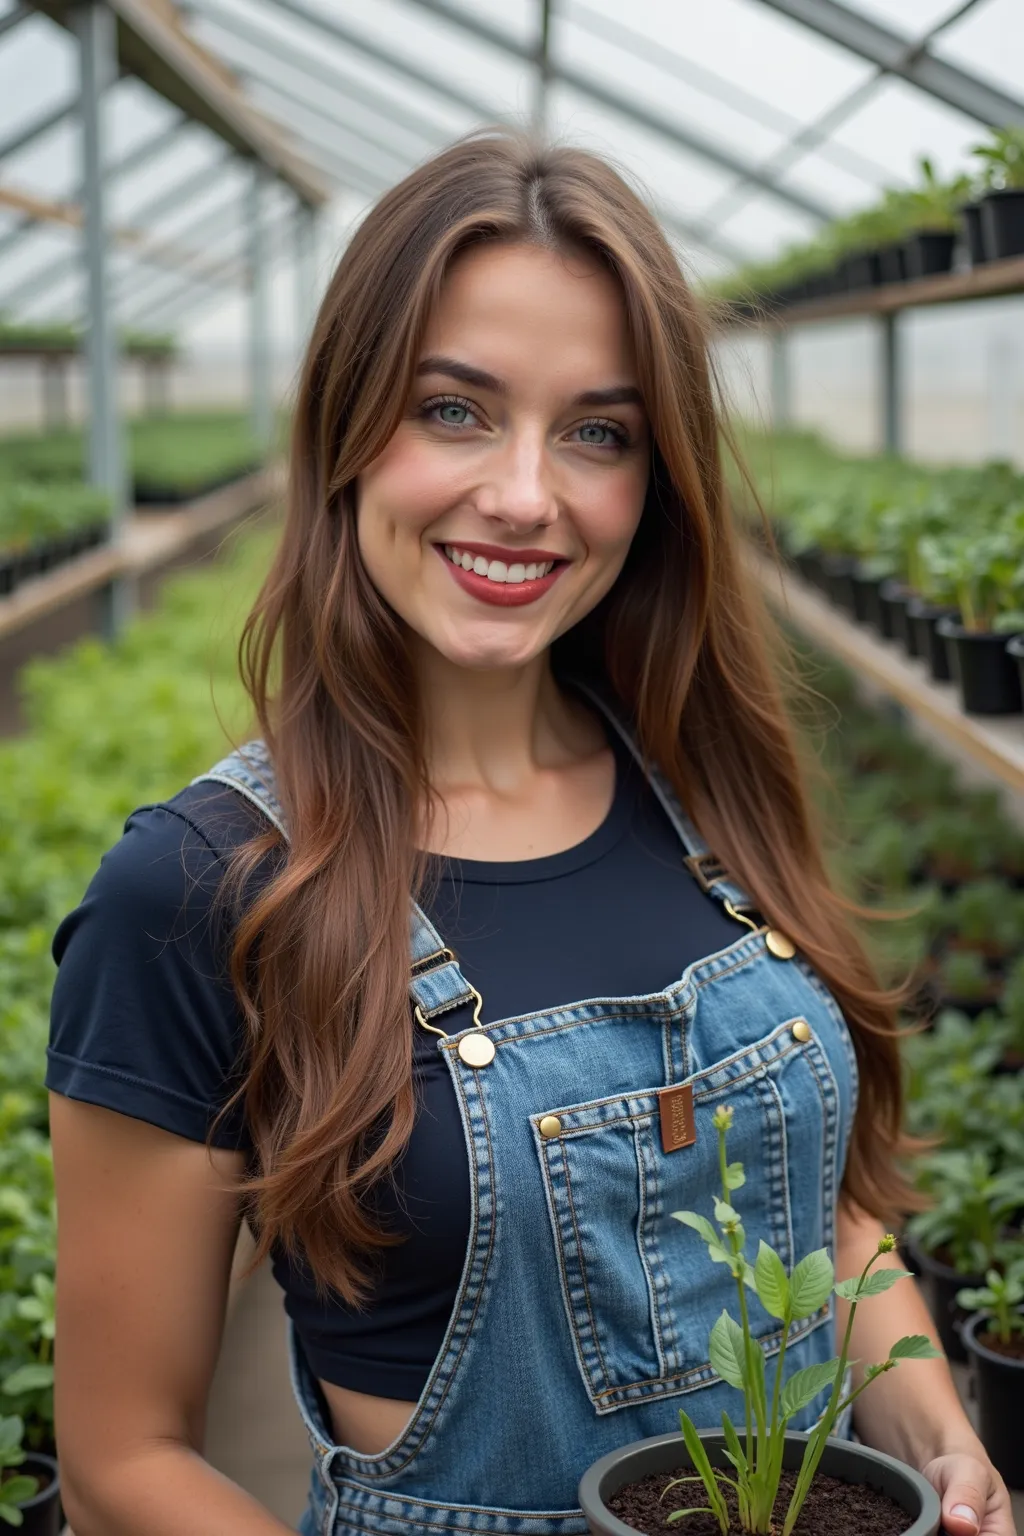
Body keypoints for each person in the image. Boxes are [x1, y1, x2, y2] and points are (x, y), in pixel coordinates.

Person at [47, 133, 1012, 1536]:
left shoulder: (707, 789)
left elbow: (835, 1219)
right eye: (455, 409)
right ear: (346, 425)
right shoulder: (200, 891)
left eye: (598, 432)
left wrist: (934, 1428)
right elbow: (123, 1459)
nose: (524, 494)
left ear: (656, 478)